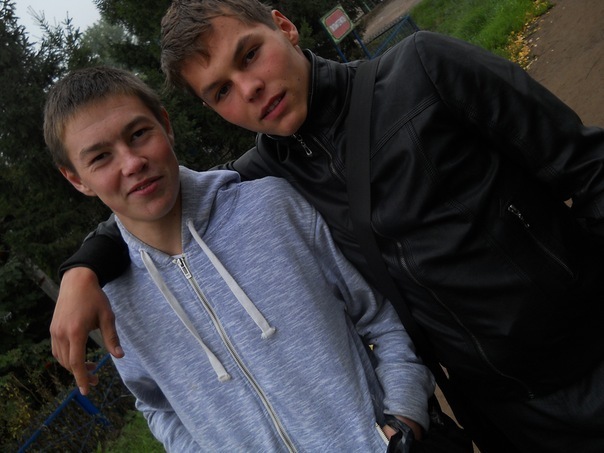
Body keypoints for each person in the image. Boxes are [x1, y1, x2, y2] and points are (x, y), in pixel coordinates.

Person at [50, 1, 604, 452]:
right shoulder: (263, 179)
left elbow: (590, 165)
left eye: (250, 54)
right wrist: (82, 269)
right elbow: (165, 203)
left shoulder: (424, 71)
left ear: (284, 27)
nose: (249, 88)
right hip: (502, 413)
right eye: (221, 91)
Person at [43, 65, 435, 451]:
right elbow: (159, 406)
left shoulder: (272, 206)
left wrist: (402, 422)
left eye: (139, 134)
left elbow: (379, 316)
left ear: (166, 125)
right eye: (101, 157)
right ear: (76, 179)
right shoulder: (110, 300)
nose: (132, 163)